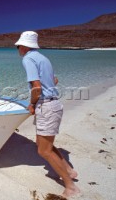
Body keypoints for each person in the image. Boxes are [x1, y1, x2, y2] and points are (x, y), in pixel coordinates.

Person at [15, 31, 80, 198]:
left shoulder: (28, 58)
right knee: (42, 144)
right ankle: (69, 171)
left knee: (43, 151)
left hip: (47, 106)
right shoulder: (43, 58)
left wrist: (32, 104)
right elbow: (54, 80)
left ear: (24, 45)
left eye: (18, 45)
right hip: (54, 103)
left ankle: (70, 186)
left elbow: (36, 87)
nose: (17, 48)